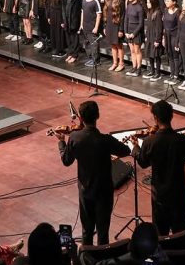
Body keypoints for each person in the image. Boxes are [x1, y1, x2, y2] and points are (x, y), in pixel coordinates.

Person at [56, 100, 131, 246]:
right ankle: (102, 257)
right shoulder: (106, 140)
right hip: (104, 192)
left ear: (81, 118)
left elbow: (66, 160)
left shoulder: (75, 138)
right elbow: (126, 151)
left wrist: (61, 142)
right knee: (103, 232)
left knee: (87, 231)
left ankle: (87, 257)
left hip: (85, 191)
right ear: (98, 116)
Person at [132, 100, 185, 237]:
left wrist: (136, 147)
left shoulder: (149, 141)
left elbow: (143, 163)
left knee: (161, 234)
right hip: (179, 194)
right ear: (171, 116)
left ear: (155, 118)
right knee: (181, 233)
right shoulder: (182, 140)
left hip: (159, 196)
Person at [79, 0, 102, 67]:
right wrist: (81, 24)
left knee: (94, 43)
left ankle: (96, 60)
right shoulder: (84, 0)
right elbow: (82, 12)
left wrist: (96, 27)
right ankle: (91, 58)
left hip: (92, 26)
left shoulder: (95, 1)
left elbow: (99, 15)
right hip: (85, 26)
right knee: (87, 43)